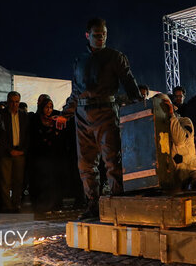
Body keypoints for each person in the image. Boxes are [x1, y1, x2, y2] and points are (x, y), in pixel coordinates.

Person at [57, 18, 142, 220]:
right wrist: (65, 114)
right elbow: (76, 91)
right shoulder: (79, 60)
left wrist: (140, 105)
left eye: (103, 34)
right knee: (86, 164)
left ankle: (118, 204)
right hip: (82, 115)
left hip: (106, 112)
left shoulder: (115, 57)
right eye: (96, 34)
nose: (100, 37)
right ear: (87, 35)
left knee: (112, 160)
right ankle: (93, 205)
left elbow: (130, 83)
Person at [156, 94, 196, 223]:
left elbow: (180, 139)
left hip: (192, 169)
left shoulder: (185, 121)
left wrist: (172, 117)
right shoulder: (157, 128)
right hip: (175, 175)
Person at [30, 95, 80, 212]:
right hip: (42, 155)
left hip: (56, 155)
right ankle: (43, 204)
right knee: (43, 180)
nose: (49, 110)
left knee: (55, 181)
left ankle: (56, 203)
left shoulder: (56, 118)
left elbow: (63, 135)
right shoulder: (35, 119)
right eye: (46, 107)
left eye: (51, 107)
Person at [0, 91, 29, 213]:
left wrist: (22, 151)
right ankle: (7, 206)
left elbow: (27, 135)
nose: (14, 104)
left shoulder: (24, 115)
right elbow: (0, 134)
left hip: (20, 153)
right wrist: (9, 150)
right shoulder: (1, 115)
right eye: (11, 101)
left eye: (16, 102)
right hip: (6, 153)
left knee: (18, 181)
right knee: (5, 181)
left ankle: (16, 204)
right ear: (7, 102)